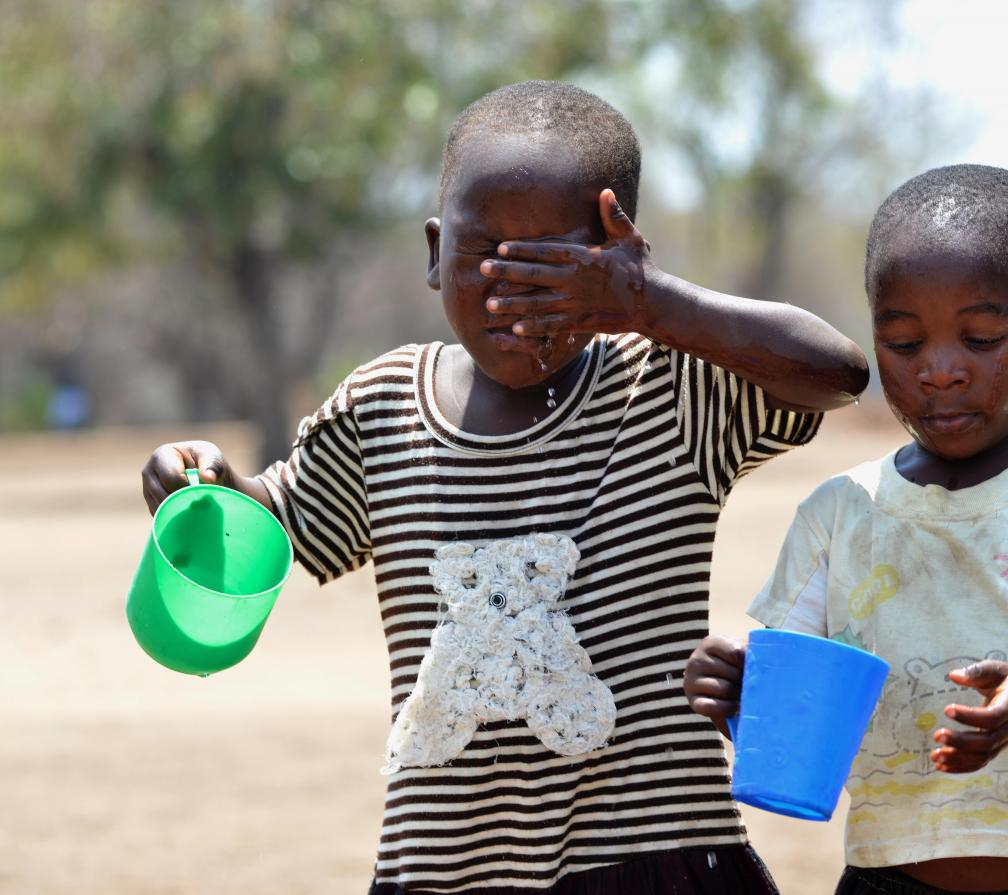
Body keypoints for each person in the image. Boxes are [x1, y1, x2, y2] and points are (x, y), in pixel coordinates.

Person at [140, 80, 870, 894]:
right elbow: (270, 523)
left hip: (653, 854)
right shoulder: (383, 406)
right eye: (484, 253)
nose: (510, 288)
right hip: (445, 870)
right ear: (431, 252)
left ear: (618, 256)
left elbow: (835, 372)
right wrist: (201, 482)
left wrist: (652, 303)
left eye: (554, 265)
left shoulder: (668, 391)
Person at [684, 164, 1008, 895]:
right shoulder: (841, 513)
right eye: (902, 343)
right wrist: (739, 686)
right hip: (887, 878)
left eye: (982, 337)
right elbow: (797, 705)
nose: (941, 371)